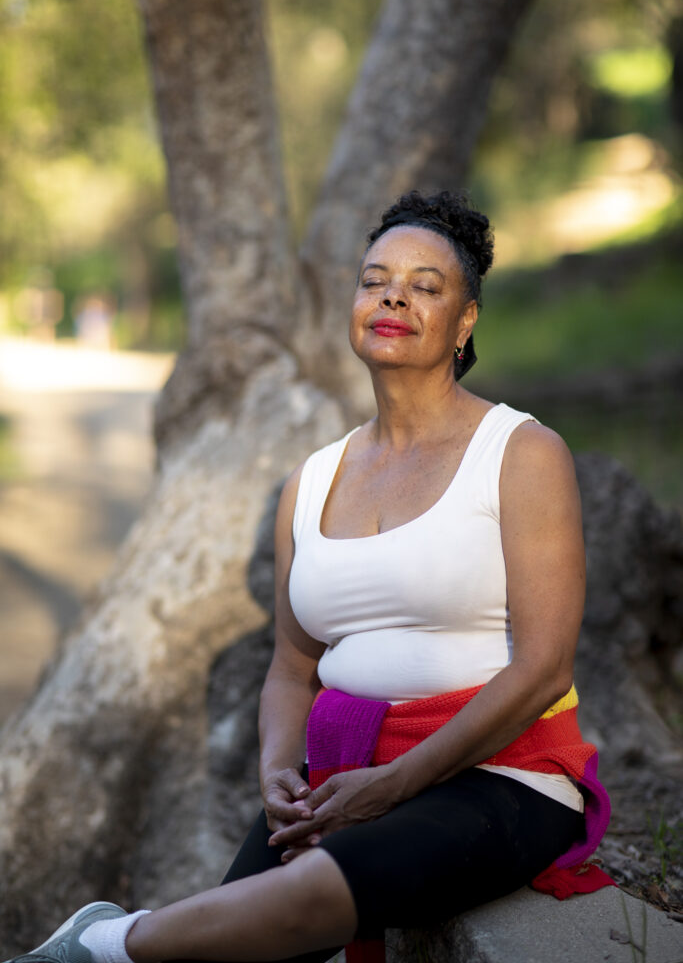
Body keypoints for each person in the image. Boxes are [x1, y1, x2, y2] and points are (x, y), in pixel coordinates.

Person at [6, 191, 611, 963]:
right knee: (234, 935)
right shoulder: (312, 479)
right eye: (374, 279)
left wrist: (392, 785)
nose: (393, 294)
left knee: (314, 888)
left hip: (501, 774)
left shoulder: (520, 453)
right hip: (339, 773)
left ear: (464, 323)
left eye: (425, 285)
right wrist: (276, 773)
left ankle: (101, 943)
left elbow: (541, 668)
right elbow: (292, 669)